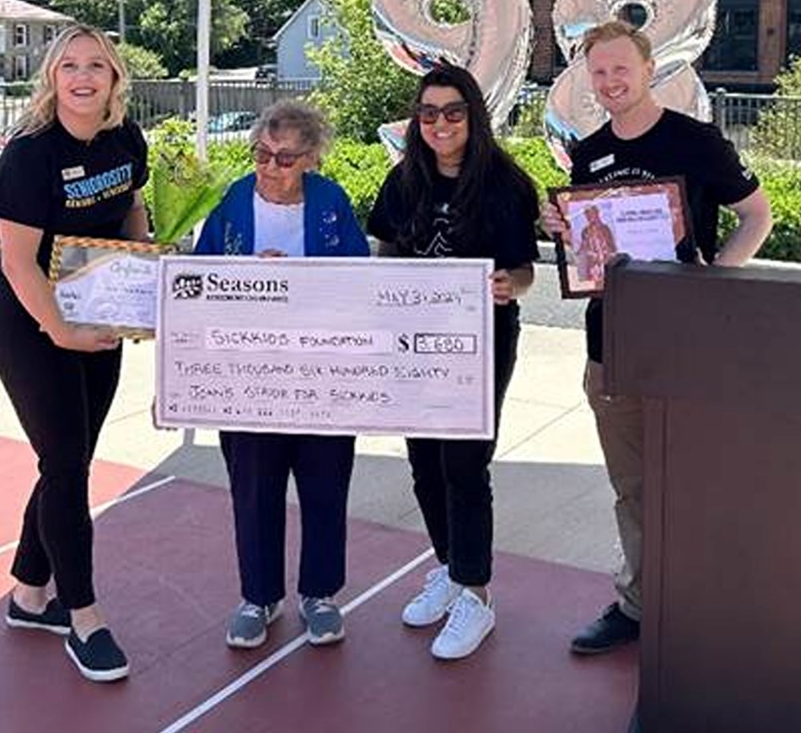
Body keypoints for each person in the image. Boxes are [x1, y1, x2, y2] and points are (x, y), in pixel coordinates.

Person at [542, 20, 774, 655]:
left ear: (649, 71)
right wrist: (562, 226)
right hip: (611, 347)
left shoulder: (696, 141)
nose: (610, 81)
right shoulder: (587, 153)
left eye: (621, 68)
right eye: (599, 72)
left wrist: (713, 279)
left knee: (696, 479)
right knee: (634, 487)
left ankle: (707, 605)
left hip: (686, 345)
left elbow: (757, 215)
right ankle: (639, 605)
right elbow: (591, 249)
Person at [0, 24, 150, 682]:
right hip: (32, 324)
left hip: (97, 314)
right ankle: (84, 616)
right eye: (70, 66)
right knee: (65, 467)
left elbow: (132, 208)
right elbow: (18, 263)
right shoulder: (30, 154)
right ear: (52, 77)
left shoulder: (124, 137)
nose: (83, 77)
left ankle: (30, 596)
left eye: (96, 66)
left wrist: (142, 269)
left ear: (114, 78)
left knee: (68, 459)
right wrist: (59, 330)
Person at [367, 65, 539, 661]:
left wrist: (509, 285)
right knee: (423, 461)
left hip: (481, 341)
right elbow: (387, 251)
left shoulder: (505, 184)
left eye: (453, 112)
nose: (440, 123)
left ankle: (476, 594)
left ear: (473, 116)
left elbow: (525, 271)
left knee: (464, 464)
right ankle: (449, 566)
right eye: (429, 112)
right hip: (413, 340)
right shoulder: (404, 179)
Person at [194, 99, 369, 649]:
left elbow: (360, 278)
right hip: (248, 374)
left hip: (321, 372)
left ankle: (320, 594)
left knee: (325, 483)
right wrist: (250, 277)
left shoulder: (331, 201)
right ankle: (259, 596)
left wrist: (298, 278)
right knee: (253, 487)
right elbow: (200, 276)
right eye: (262, 154)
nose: (270, 167)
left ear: (312, 159)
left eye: (285, 158)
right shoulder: (231, 200)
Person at [576, 204, 618, 284]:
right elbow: (583, 247)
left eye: (591, 214)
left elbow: (612, 246)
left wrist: (608, 254)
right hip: (593, 264)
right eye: (587, 215)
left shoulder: (605, 229)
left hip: (605, 262)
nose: (589, 217)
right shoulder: (585, 231)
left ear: (597, 213)